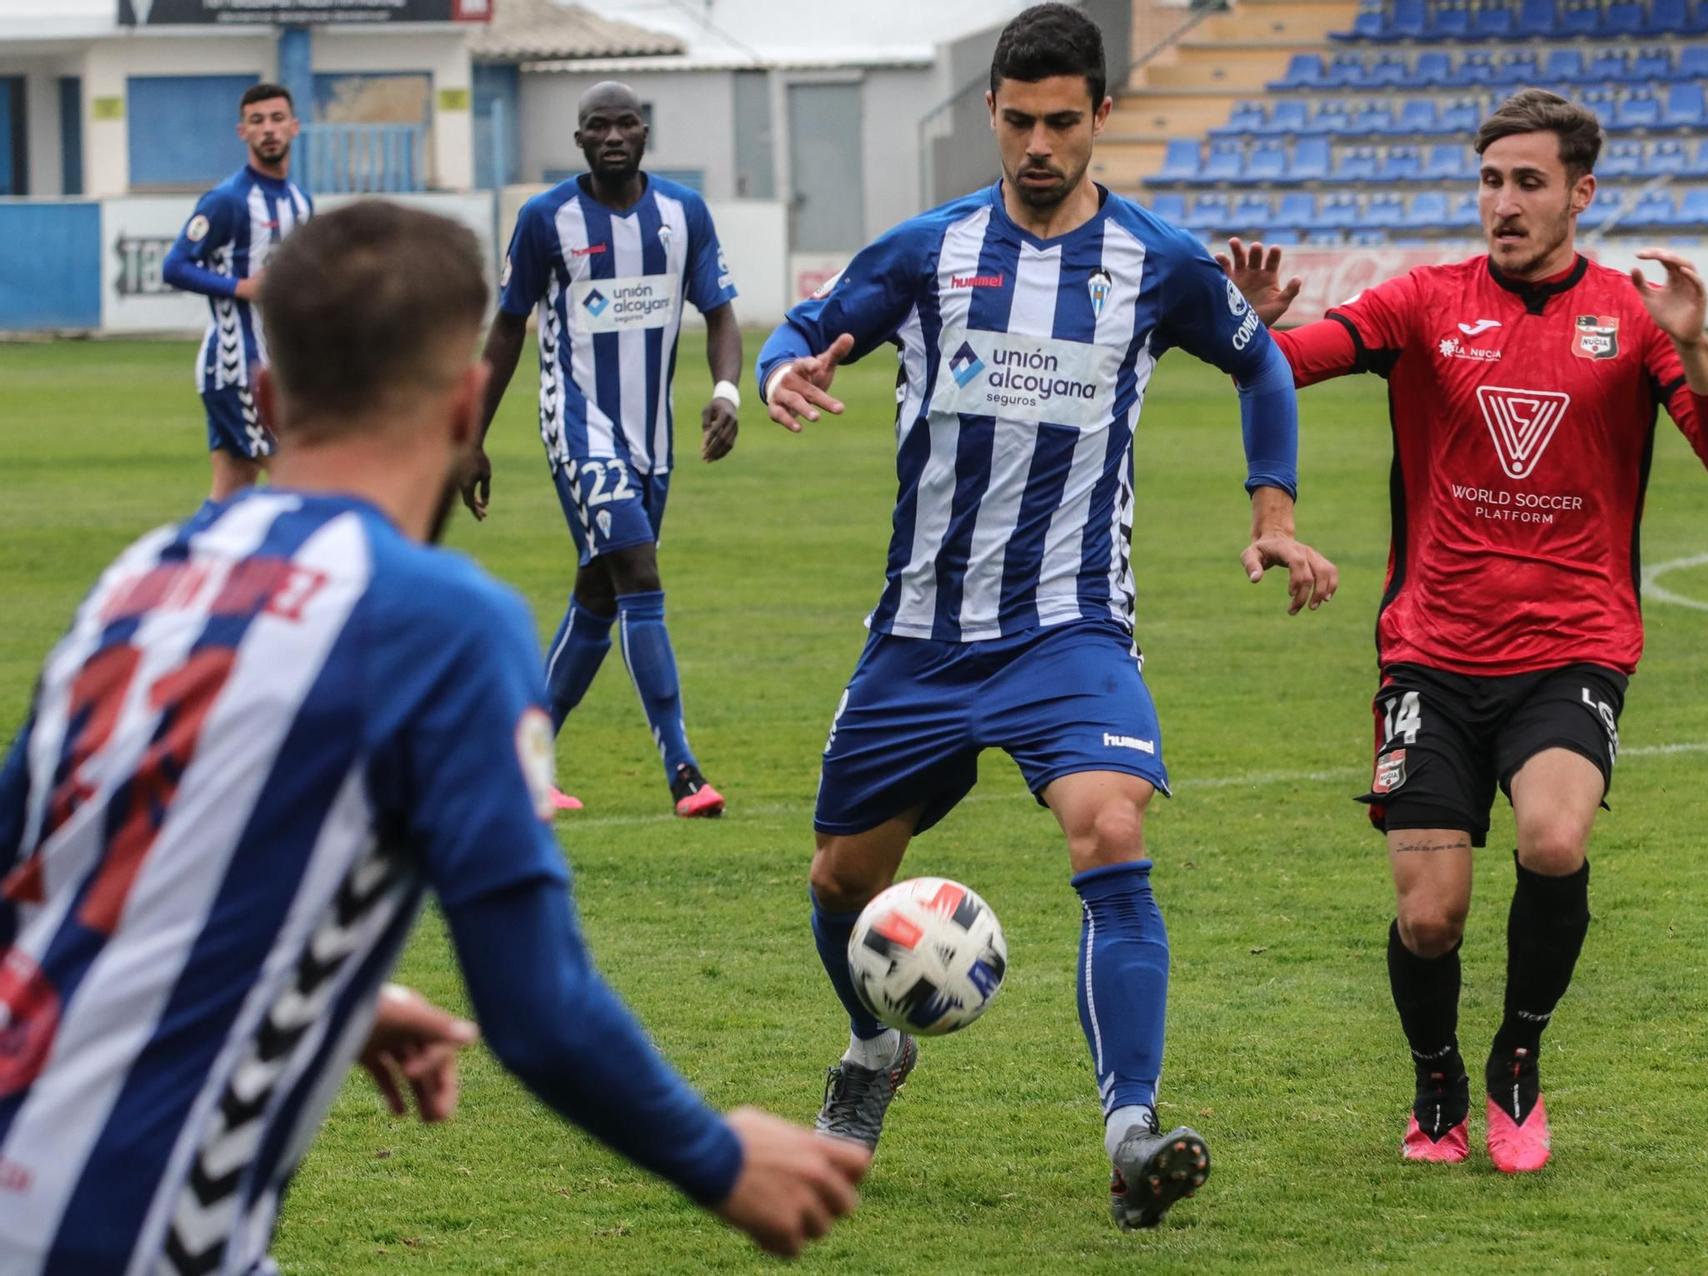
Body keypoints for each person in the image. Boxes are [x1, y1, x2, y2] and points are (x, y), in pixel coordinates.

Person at [0, 202, 867, 1271]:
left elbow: (41, 876)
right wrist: (717, 1156)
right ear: (467, 404)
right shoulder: (440, 622)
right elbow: (536, 1006)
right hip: (116, 1228)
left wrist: (325, 996)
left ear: (267, 403)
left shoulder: (141, 579)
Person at [755, 4, 1337, 1231]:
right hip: (918, 634)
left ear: (1099, 118)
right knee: (839, 880)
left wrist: (1272, 513)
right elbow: (811, 324)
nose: (1035, 143)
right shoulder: (931, 250)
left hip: (1069, 627)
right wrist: (782, 367)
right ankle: (871, 1052)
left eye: (1059, 121)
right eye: (1016, 120)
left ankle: (1132, 1130)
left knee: (1109, 824)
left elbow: (1261, 363)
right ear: (990, 114)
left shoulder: (1157, 264)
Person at [1221, 88, 1708, 1173]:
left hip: (1573, 643)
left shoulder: (1628, 315)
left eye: (1527, 183)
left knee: (1552, 839)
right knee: (1429, 919)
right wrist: (1254, 329)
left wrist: (1696, 352)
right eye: (1489, 181)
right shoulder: (1423, 301)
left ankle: (1517, 1055)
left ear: (1578, 193)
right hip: (1429, 647)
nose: (1502, 203)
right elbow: (1290, 364)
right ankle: (1436, 1075)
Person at [462, 82, 740, 819]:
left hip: (654, 439)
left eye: (625, 124)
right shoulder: (543, 219)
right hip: (576, 425)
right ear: (579, 139)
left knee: (598, 596)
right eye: (598, 126)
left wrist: (726, 392)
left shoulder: (685, 214)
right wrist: (472, 437)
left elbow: (720, 315)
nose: (613, 136)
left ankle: (520, 761)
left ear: (645, 132)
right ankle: (683, 769)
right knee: (640, 575)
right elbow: (505, 330)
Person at [161, 82, 313, 516]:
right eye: (257, 121)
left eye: (277, 119)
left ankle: (188, 568)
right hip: (235, 364)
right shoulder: (227, 200)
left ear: (295, 127)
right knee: (300, 479)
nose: (269, 129)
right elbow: (175, 265)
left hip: (272, 364)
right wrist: (241, 287)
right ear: (241, 132)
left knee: (231, 492)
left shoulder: (301, 202)